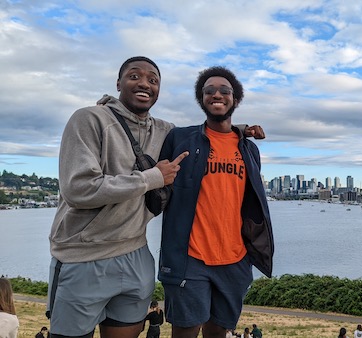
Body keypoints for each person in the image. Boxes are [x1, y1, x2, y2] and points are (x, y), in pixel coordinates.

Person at [46, 56, 264, 338]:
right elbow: (78, 189)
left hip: (136, 253)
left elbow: (211, 131)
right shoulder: (90, 118)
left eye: (153, 80)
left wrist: (239, 130)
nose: (144, 84)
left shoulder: (165, 131)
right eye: (134, 76)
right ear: (118, 83)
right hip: (83, 254)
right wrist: (153, 178)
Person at [157, 66, 274, 338]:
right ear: (201, 99)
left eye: (224, 90)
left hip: (235, 260)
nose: (216, 94)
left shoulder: (248, 149)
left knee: (219, 334)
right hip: (190, 258)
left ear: (236, 98)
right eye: (209, 91)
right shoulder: (180, 138)